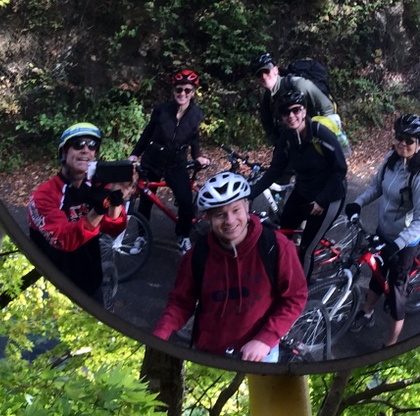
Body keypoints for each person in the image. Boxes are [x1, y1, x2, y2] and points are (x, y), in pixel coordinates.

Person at [152, 171, 307, 362]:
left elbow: (294, 297)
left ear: (247, 207)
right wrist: (160, 334)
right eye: (220, 215)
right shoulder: (198, 255)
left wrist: (266, 339)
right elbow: (180, 303)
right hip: (209, 352)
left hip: (259, 352)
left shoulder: (276, 247)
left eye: (236, 210)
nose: (230, 221)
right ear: (208, 219)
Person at [346, 114, 420, 347]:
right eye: (399, 137)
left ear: (419, 144)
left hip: (404, 241)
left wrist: (399, 243)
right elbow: (376, 187)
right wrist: (358, 203)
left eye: (409, 140)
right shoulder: (390, 159)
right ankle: (367, 312)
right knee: (377, 274)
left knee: (396, 292)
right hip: (384, 231)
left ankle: (391, 343)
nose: (403, 143)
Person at [248, 90, 347, 279]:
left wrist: (322, 200)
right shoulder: (287, 137)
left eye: (295, 110)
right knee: (282, 236)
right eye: (286, 112)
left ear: (304, 111)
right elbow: (275, 170)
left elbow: (340, 169)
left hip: (329, 196)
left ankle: (301, 291)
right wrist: (249, 194)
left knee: (306, 250)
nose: (291, 115)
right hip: (303, 191)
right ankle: (281, 274)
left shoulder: (320, 134)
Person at [28, 122, 131, 304]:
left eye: (92, 145)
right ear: (64, 152)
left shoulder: (96, 187)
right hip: (53, 289)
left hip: (91, 283)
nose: (86, 150)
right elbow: (64, 240)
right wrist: (98, 210)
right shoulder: (44, 195)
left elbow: (114, 228)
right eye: (78, 144)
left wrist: (116, 199)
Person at [128, 69, 210, 253]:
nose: (182, 94)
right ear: (174, 91)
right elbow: (148, 133)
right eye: (179, 89)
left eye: (187, 90)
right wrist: (135, 154)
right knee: (146, 201)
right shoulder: (161, 110)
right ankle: (141, 236)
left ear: (193, 92)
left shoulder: (196, 114)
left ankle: (184, 236)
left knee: (185, 201)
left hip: (176, 162)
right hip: (153, 160)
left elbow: (194, 138)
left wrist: (197, 155)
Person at [250, 52, 338, 144]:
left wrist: (322, 135)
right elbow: (267, 124)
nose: (264, 76)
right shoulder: (267, 98)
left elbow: (328, 107)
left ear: (275, 70)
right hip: (294, 141)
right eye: (259, 74)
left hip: (316, 136)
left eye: (266, 71)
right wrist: (278, 143)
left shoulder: (298, 84)